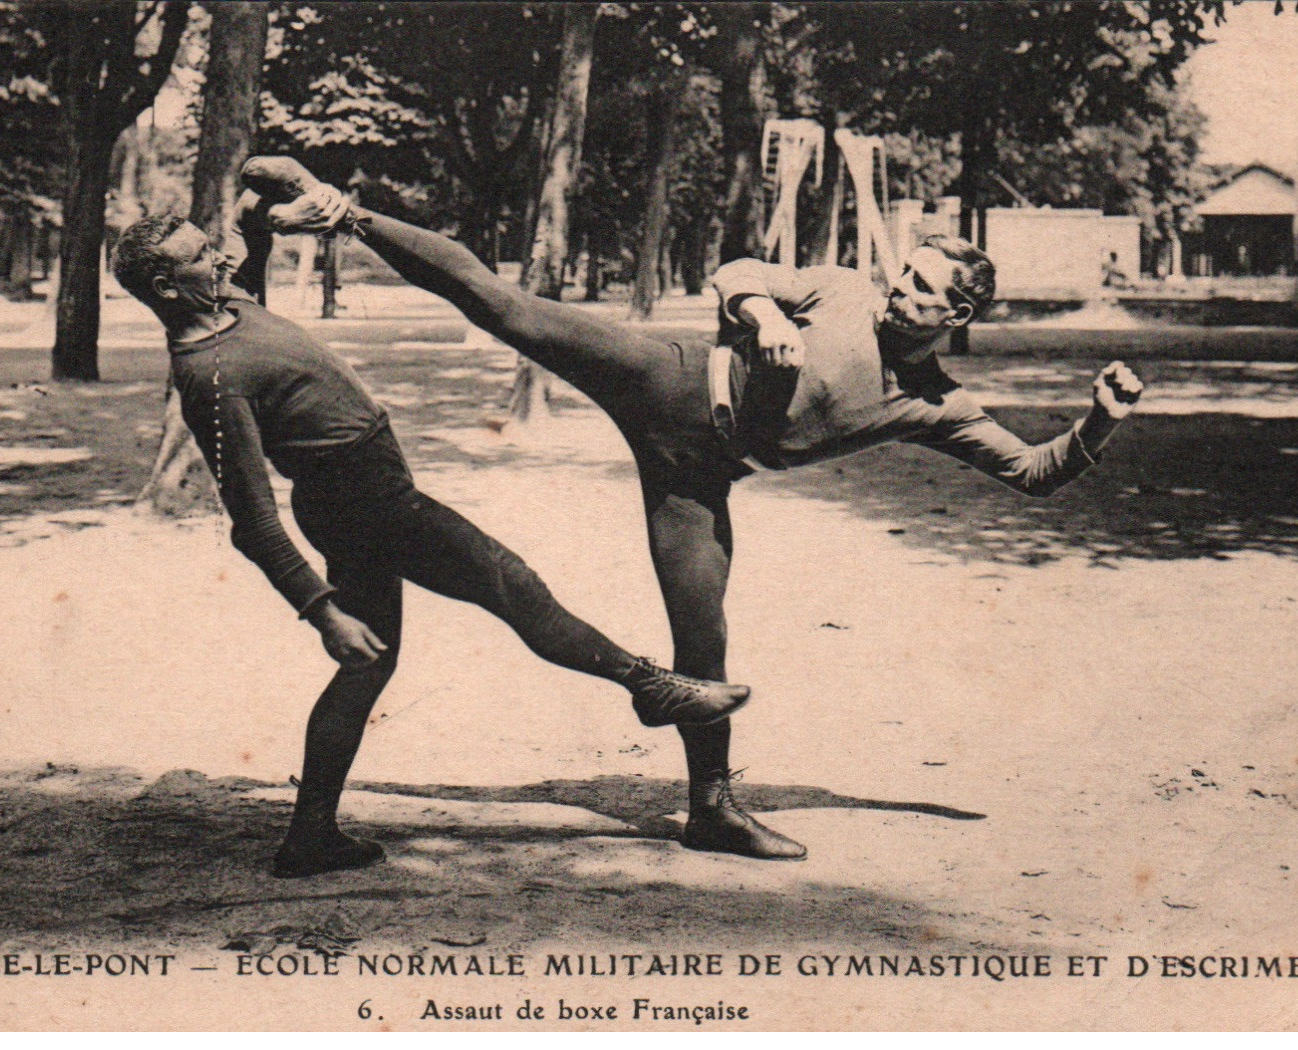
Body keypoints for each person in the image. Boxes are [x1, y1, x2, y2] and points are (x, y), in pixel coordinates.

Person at [241, 156, 1145, 863]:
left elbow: (1034, 472)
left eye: (920, 293)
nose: (897, 292)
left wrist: (1097, 422)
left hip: (698, 480)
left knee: (700, 640)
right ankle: (338, 212)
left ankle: (710, 809)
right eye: (902, 275)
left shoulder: (937, 404)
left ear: (957, 315)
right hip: (668, 382)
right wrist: (760, 310)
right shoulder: (841, 288)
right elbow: (738, 267)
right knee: (507, 307)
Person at [109, 199, 754, 879]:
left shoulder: (229, 305)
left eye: (213, 246)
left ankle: (310, 838)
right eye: (201, 257)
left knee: (370, 669)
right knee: (512, 583)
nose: (220, 259)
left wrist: (254, 213)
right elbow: (252, 519)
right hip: (369, 508)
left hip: (361, 500)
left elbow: (248, 261)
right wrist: (321, 610)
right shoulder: (210, 376)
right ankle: (650, 685)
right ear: (165, 289)